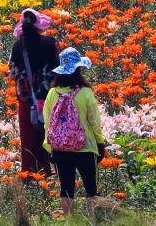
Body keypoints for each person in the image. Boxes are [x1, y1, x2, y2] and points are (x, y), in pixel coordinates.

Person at [43, 47, 107, 216]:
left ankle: (70, 221)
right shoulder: (85, 93)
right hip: (85, 147)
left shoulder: (52, 93)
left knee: (66, 187)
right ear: (79, 69)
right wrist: (100, 143)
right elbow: (94, 122)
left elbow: (48, 123)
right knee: (91, 188)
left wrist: (50, 147)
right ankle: (92, 219)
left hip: (60, 148)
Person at [8, 8, 59, 176]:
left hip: (27, 101)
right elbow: (59, 70)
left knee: (29, 141)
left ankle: (29, 175)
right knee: (49, 137)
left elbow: (12, 74)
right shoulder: (50, 43)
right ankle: (51, 174)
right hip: (50, 99)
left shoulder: (17, 47)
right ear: (39, 25)